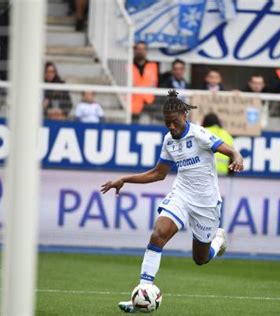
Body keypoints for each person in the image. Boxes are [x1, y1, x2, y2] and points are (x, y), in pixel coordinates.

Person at [101, 90, 244, 313]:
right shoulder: (169, 140)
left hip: (206, 203)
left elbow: (231, 151)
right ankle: (143, 291)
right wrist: (124, 179)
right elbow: (158, 174)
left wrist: (237, 158)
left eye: (175, 122)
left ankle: (219, 241)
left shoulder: (199, 135)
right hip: (182, 194)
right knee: (158, 234)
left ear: (184, 117)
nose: (171, 127)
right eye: (167, 123)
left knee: (201, 258)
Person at [132, 41, 158, 121]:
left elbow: (154, 83)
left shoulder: (153, 65)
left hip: (149, 103)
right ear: (135, 50)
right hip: (133, 104)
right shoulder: (128, 65)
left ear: (146, 51)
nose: (140, 51)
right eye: (138, 49)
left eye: (143, 49)